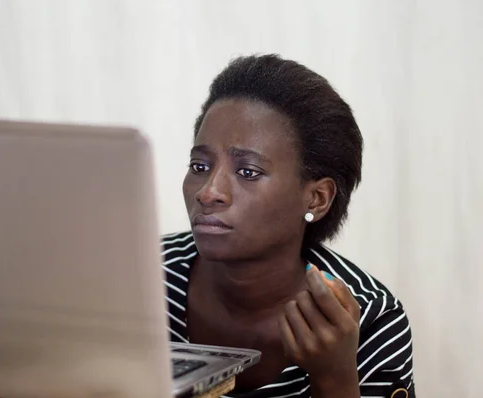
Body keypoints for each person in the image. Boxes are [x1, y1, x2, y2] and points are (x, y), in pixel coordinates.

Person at [162, 55, 415, 398]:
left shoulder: (370, 320)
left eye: (248, 171)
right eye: (200, 165)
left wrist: (335, 376)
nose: (209, 192)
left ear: (316, 199)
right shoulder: (139, 277)